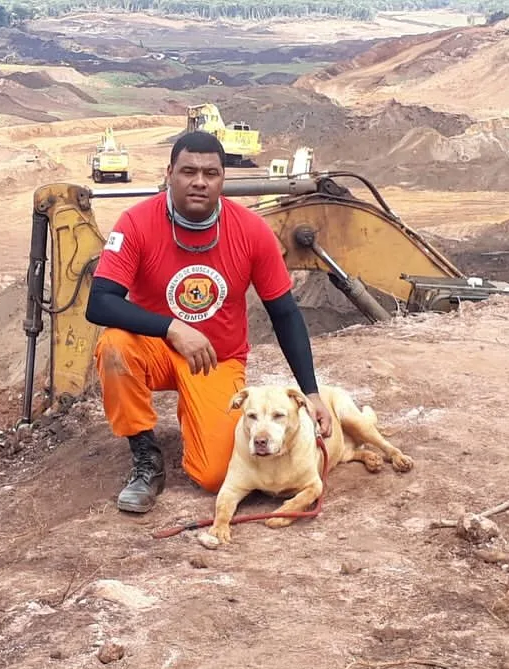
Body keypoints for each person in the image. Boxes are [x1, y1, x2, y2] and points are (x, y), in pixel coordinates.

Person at [85, 131, 332, 514]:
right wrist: (172, 328)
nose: (199, 181)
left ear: (222, 179)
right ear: (169, 174)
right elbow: (99, 303)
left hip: (215, 359)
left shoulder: (252, 231)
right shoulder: (135, 223)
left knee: (216, 476)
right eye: (188, 171)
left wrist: (311, 392)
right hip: (153, 348)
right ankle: (146, 458)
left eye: (210, 173)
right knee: (114, 346)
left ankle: (198, 416)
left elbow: (284, 312)